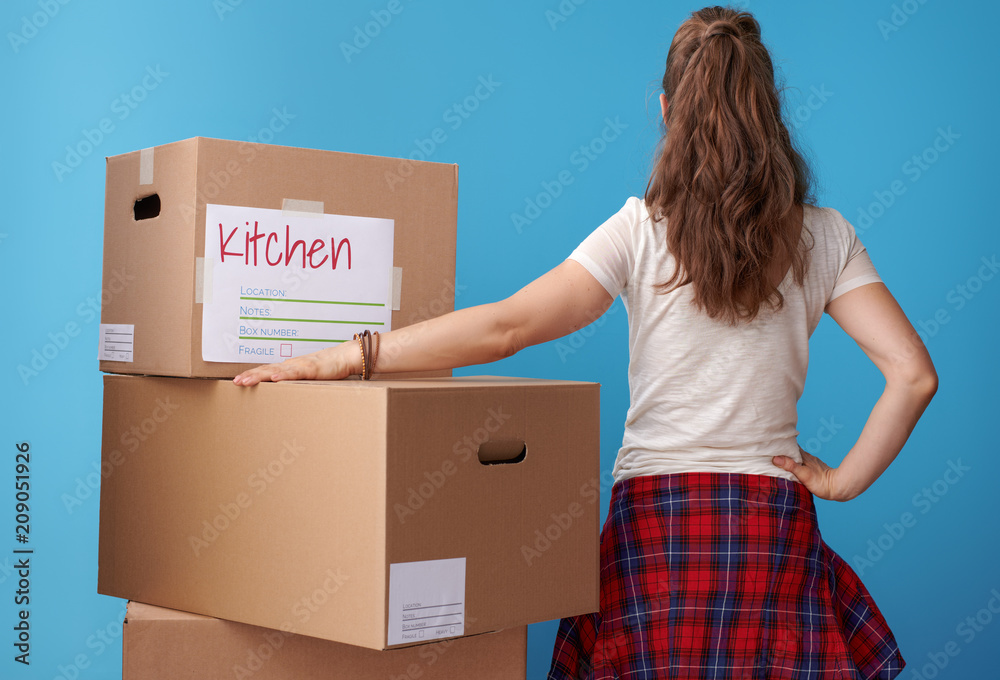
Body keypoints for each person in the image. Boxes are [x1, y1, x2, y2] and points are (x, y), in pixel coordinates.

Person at [234, 5, 936, 678]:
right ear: (768, 109)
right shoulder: (826, 235)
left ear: (667, 111)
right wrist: (840, 482)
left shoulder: (639, 231)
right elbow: (913, 375)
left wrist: (347, 357)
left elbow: (507, 326)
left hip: (656, 529)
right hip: (769, 526)